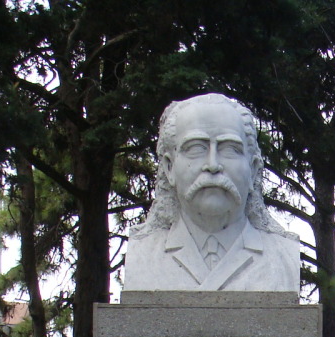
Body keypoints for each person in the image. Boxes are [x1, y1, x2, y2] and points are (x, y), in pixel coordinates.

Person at [124, 93, 299, 291]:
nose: (213, 165)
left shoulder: (283, 258)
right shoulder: (143, 255)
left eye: (230, 149)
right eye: (196, 148)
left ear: (254, 169)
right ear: (169, 167)